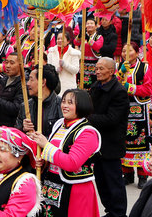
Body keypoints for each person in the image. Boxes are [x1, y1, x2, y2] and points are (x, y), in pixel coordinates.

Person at [29, 88, 101, 217]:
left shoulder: (87, 133)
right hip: (51, 186)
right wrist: (44, 161)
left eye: (70, 102)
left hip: (75, 189)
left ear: (82, 105)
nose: (65, 106)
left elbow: (72, 163)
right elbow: (53, 154)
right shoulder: (59, 124)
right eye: (63, 101)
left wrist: (46, 146)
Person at [87, 56, 129, 217]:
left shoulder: (119, 92)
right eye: (96, 68)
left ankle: (118, 213)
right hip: (96, 144)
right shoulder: (96, 87)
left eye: (101, 69)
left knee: (114, 183)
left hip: (111, 144)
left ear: (111, 72)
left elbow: (112, 119)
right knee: (101, 182)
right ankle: (110, 211)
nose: (97, 71)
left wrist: (88, 119)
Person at [118, 41, 152, 188]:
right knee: (124, 141)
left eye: (129, 51)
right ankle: (127, 174)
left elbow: (148, 89)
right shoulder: (119, 67)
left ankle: (142, 176)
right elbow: (112, 83)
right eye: (123, 51)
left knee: (140, 142)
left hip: (139, 109)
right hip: (123, 109)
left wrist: (130, 87)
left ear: (137, 52)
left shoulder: (144, 68)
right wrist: (120, 73)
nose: (125, 54)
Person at [16, 63, 62, 137]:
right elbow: (16, 135)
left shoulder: (61, 105)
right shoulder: (26, 106)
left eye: (31, 79)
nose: (28, 83)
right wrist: (23, 129)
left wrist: (41, 140)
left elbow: (64, 138)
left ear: (43, 82)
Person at [0, 53, 23, 128]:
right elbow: (0, 102)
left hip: (13, 128)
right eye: (6, 62)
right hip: (0, 125)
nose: (8, 66)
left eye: (12, 63)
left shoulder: (24, 84)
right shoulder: (3, 80)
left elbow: (17, 108)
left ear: (21, 65)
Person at [75, 16, 104, 87]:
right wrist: (80, 35)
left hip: (94, 63)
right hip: (83, 62)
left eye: (91, 23)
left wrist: (88, 39)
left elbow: (97, 46)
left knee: (93, 84)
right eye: (87, 23)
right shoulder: (83, 35)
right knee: (81, 83)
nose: (89, 25)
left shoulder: (99, 37)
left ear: (96, 26)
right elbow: (76, 42)